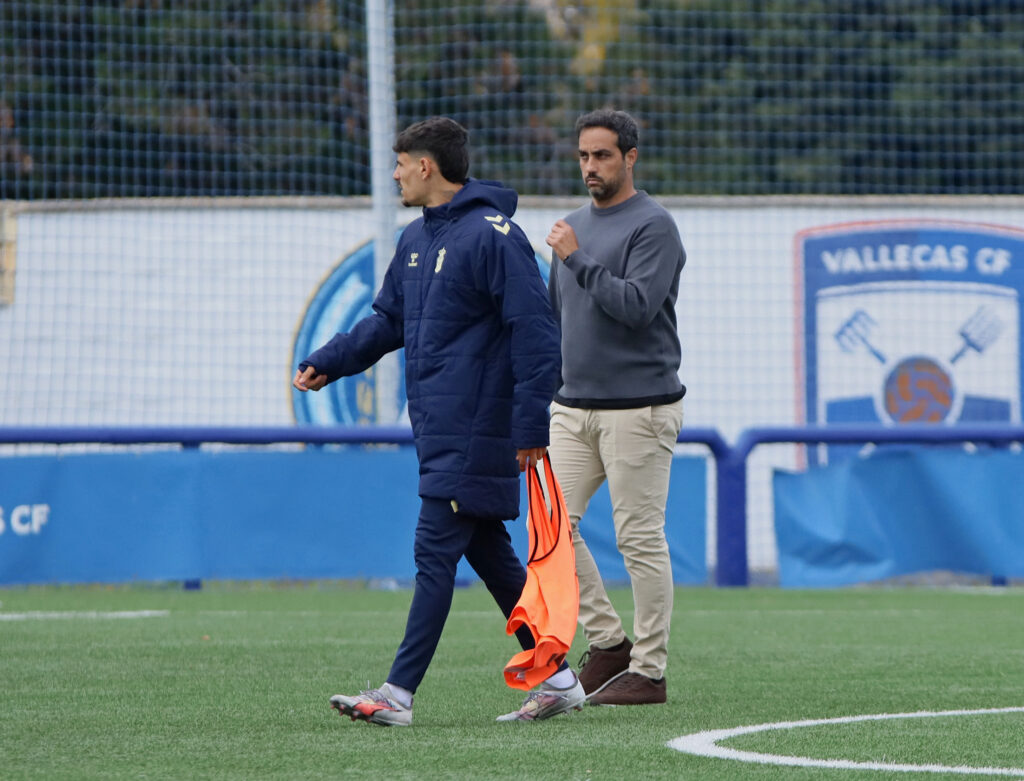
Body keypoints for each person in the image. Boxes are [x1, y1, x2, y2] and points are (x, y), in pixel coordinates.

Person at [293, 116, 584, 726]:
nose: (394, 174)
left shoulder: (495, 236)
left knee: (432, 552)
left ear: (426, 166)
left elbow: (535, 336)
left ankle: (397, 694)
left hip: (481, 427)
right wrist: (331, 361)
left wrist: (530, 426)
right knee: (489, 553)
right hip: (442, 428)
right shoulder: (415, 240)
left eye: (401, 164)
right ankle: (557, 674)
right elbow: (387, 323)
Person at [544, 109, 686, 706]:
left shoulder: (653, 226)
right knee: (550, 529)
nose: (590, 167)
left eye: (602, 155)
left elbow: (635, 307)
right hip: (572, 410)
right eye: (583, 156)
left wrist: (577, 259)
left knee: (638, 540)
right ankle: (608, 643)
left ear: (630, 157)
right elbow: (558, 323)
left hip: (640, 409)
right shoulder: (570, 227)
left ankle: (649, 673)